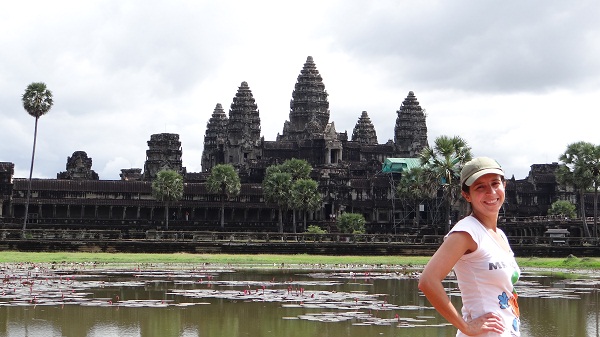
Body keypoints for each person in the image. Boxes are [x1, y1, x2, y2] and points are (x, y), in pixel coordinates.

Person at [418, 157, 520, 336]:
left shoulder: (499, 234)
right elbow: (428, 281)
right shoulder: (466, 232)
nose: (491, 192)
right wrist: (466, 327)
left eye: (495, 183)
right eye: (480, 187)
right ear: (466, 195)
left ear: (504, 185)